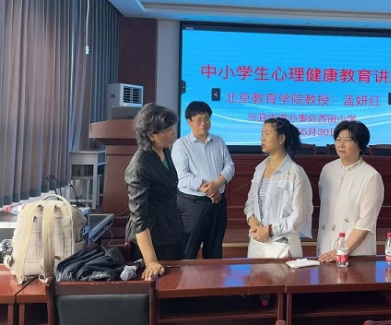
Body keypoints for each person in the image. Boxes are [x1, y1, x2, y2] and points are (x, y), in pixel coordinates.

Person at [125, 103, 184, 280]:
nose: (174, 133)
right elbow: (139, 219)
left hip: (171, 230)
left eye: (172, 127)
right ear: (151, 135)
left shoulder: (164, 150)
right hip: (152, 240)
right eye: (168, 129)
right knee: (160, 285)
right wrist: (151, 262)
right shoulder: (140, 166)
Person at [171, 101, 235, 259]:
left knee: (214, 249)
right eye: (199, 119)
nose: (203, 123)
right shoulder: (181, 145)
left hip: (218, 203)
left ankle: (214, 275)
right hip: (192, 205)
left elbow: (229, 166)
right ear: (189, 121)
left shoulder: (219, 141)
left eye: (206, 118)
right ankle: (185, 276)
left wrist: (216, 185)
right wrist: (210, 190)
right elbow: (182, 176)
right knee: (188, 249)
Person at [244, 117, 313, 258]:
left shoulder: (295, 173)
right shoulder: (260, 169)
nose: (262, 138)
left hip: (282, 245)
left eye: (267, 134)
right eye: (262, 134)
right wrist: (253, 222)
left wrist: (270, 230)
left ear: (281, 138)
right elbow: (250, 203)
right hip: (257, 241)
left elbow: (300, 216)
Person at [317, 120, 384, 262]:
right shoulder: (328, 170)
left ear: (360, 145)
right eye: (338, 139)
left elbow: (366, 222)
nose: (341, 144)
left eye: (347, 140)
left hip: (354, 253)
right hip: (326, 248)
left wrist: (342, 250)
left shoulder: (371, 176)